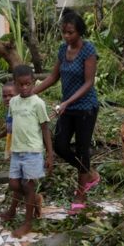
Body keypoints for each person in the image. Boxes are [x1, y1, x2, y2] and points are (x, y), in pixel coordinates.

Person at [33, 11, 100, 215]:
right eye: (63, 32)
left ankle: (80, 195)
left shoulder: (88, 50)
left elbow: (89, 83)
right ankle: (89, 174)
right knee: (60, 145)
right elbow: (53, 77)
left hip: (86, 108)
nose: (66, 36)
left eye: (70, 32)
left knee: (82, 148)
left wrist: (67, 102)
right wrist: (29, 92)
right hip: (67, 108)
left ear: (79, 31)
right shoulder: (63, 50)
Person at [6, 65, 53, 237]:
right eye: (21, 85)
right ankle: (35, 201)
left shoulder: (38, 103)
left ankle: (28, 223)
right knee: (14, 184)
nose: (24, 88)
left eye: (28, 84)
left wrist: (50, 154)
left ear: (33, 82)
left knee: (29, 186)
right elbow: (11, 126)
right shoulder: (13, 102)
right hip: (17, 151)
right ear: (15, 85)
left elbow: (45, 128)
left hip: (33, 151)